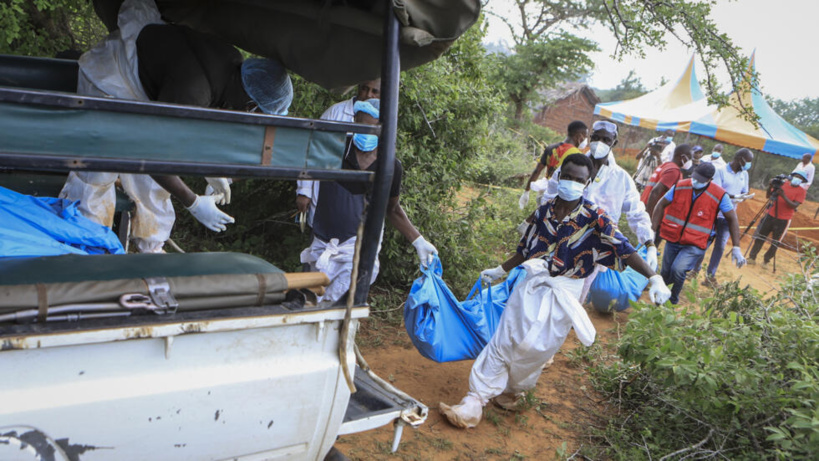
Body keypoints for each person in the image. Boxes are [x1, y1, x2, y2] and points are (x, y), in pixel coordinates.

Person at [438, 153, 670, 429]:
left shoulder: (595, 217)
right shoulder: (544, 210)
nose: (572, 183)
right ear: (559, 176)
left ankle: (514, 389)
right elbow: (524, 249)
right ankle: (473, 402)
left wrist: (654, 277)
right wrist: (501, 270)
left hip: (565, 291)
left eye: (579, 180)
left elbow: (624, 249)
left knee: (536, 347)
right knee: (505, 338)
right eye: (568, 177)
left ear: (587, 183)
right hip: (532, 282)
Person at [59, 0, 292, 253]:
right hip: (110, 80)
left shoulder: (232, 65)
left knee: (155, 183)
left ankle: (152, 247)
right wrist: (192, 202)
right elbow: (154, 155)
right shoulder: (193, 89)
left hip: (147, 88)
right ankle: (82, 245)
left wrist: (212, 167)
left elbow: (194, 124)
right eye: (256, 112)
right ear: (249, 101)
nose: (250, 116)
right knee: (99, 170)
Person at [300, 99, 438, 304]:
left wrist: (418, 240)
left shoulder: (389, 166)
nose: (365, 133)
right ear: (353, 122)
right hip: (322, 241)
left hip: (357, 247)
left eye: (371, 128)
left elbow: (392, 209)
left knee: (341, 308)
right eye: (360, 125)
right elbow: (304, 159)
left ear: (384, 129)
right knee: (310, 301)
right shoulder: (335, 150)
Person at [538, 120, 658, 304]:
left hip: (591, 252)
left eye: (606, 139)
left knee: (574, 298)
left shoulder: (621, 179)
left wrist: (649, 244)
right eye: (595, 137)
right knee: (545, 291)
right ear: (589, 137)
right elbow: (549, 199)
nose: (599, 143)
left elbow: (637, 213)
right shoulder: (570, 168)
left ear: (614, 143)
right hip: (558, 241)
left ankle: (564, 323)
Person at [652, 163, 745, 304]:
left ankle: (671, 301)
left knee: (678, 269)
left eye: (700, 180)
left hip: (696, 242)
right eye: (695, 178)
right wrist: (652, 230)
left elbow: (732, 219)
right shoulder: (680, 186)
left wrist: (736, 247)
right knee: (665, 272)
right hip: (674, 237)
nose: (695, 182)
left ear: (709, 180)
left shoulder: (719, 195)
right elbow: (660, 204)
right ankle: (659, 301)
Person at [296, 79, 382, 225]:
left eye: (375, 91)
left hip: (359, 204)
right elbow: (312, 150)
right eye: (364, 88)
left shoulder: (385, 120)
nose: (368, 94)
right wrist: (304, 191)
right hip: (325, 195)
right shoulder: (335, 113)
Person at [697, 149, 753, 287]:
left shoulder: (744, 174)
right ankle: (693, 270)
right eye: (747, 161)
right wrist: (734, 197)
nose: (748, 165)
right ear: (740, 158)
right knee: (703, 244)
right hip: (714, 214)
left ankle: (710, 277)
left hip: (728, 216)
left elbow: (744, 190)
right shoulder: (720, 170)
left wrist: (744, 196)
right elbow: (716, 192)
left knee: (720, 247)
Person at [518, 121, 588, 210]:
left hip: (542, 192)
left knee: (539, 214)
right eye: (585, 137)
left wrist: (526, 191)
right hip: (559, 194)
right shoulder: (576, 155)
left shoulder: (551, 147)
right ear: (579, 136)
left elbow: (537, 170)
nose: (586, 141)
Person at [747, 170, 808, 268]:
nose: (798, 179)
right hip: (770, 214)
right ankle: (752, 257)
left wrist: (783, 195)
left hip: (784, 219)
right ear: (791, 177)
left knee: (775, 242)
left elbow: (794, 205)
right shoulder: (783, 184)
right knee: (760, 236)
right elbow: (769, 196)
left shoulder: (801, 191)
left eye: (800, 178)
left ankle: (766, 261)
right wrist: (771, 186)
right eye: (796, 176)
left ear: (803, 181)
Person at [640, 144, 693, 217]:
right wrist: (650, 217)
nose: (690, 162)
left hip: (644, 206)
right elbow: (656, 192)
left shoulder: (666, 165)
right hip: (651, 210)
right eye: (689, 158)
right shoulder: (673, 171)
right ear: (682, 157)